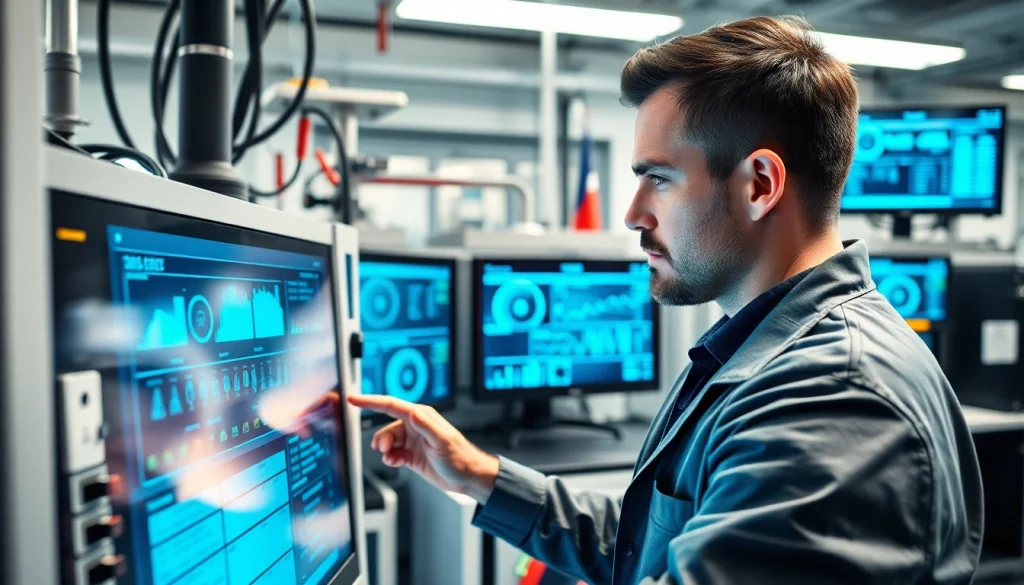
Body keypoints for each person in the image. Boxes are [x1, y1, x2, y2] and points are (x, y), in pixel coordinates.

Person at [350, 15, 983, 585]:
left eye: (658, 177)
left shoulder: (829, 401)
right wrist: (482, 475)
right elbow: (658, 547)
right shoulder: (763, 355)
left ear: (759, 185)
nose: (632, 214)